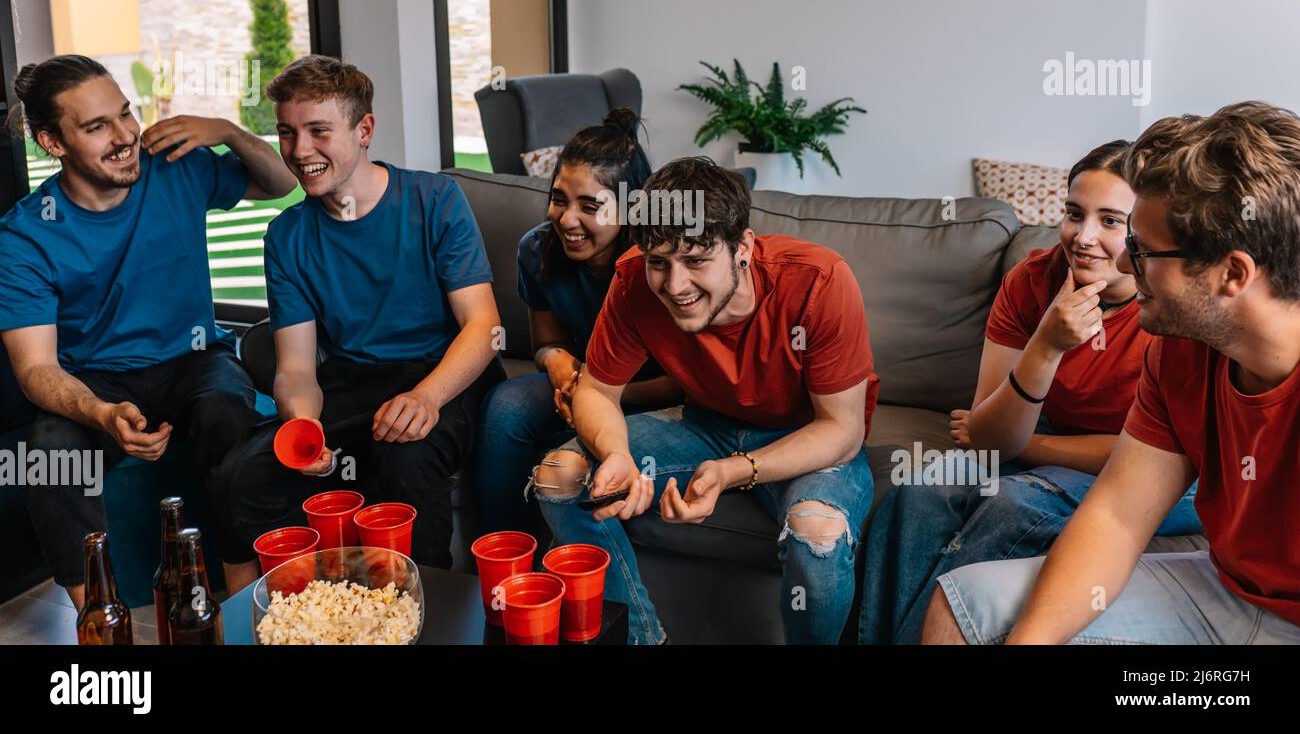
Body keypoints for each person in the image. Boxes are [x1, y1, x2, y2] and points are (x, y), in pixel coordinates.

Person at [923, 102, 1300, 645]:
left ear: (1231, 274)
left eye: (1141, 249)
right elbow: (1117, 517)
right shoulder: (1181, 352)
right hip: (1223, 591)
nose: (1123, 264)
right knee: (966, 606)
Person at [859, 141, 1200, 644]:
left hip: (1161, 473)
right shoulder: (1033, 280)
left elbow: (1151, 458)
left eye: (1110, 221)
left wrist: (1032, 448)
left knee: (1015, 505)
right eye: (1073, 214)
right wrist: (1046, 344)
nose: (1083, 237)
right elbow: (991, 438)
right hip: (1055, 440)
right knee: (919, 494)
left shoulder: (1168, 307)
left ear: (1144, 231)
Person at [533, 157, 879, 644]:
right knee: (559, 477)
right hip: (707, 424)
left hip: (806, 438)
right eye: (660, 262)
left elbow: (842, 431)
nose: (675, 287)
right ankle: (639, 637)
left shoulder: (819, 281)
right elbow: (594, 390)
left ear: (742, 248)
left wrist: (731, 470)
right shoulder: (633, 278)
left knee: (816, 533)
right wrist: (616, 452)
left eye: (696, 260)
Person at [0, 55, 296, 605]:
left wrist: (229, 132)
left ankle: (242, 602)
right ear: (52, 142)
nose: (124, 137)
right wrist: (100, 414)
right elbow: (36, 368)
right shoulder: (24, 236)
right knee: (50, 457)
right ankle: (98, 619)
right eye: (96, 127)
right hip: (96, 379)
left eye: (124, 114)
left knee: (225, 412)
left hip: (196, 360)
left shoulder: (174, 166)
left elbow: (280, 182)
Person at [213, 56, 505, 593]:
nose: (300, 151)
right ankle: (294, 615)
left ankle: (424, 610)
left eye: (319, 131)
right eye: (287, 133)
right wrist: (305, 427)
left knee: (405, 457)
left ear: (364, 129)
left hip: (445, 373)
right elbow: (297, 367)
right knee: (241, 474)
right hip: (354, 380)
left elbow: (484, 326)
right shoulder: (286, 236)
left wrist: (426, 398)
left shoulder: (435, 200)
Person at [475, 109, 681, 534]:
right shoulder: (536, 249)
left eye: (590, 206)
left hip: (656, 395)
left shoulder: (661, 265)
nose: (567, 219)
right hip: (581, 385)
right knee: (506, 405)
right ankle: (505, 557)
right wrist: (558, 365)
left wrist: (596, 394)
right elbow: (545, 342)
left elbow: (686, 382)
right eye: (558, 199)